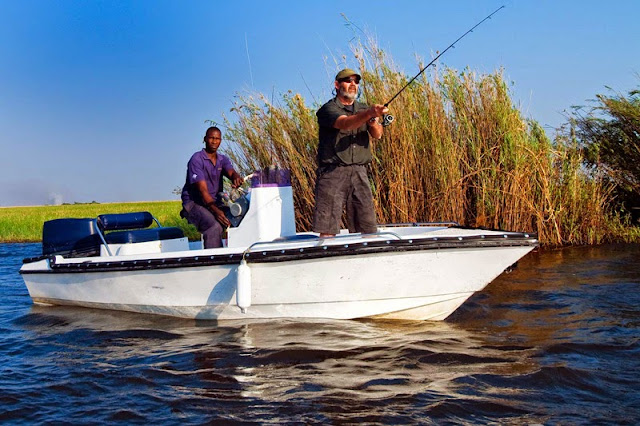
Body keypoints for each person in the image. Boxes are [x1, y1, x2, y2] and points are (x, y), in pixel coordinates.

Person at [312, 68, 389, 237]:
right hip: (332, 173)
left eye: (356, 81)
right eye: (348, 81)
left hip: (360, 172)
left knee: (368, 226)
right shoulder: (328, 109)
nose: (353, 84)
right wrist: (369, 113)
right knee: (328, 228)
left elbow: (377, 135)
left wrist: (374, 120)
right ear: (337, 85)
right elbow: (346, 124)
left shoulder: (363, 108)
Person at [181, 126, 244, 248]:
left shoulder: (222, 159)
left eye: (217, 139)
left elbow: (230, 172)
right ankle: (215, 263)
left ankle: (236, 256)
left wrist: (236, 176)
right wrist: (217, 212)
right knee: (213, 226)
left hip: (213, 203)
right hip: (194, 204)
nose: (214, 141)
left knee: (239, 218)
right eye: (211, 138)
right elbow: (203, 192)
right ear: (205, 139)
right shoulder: (197, 159)